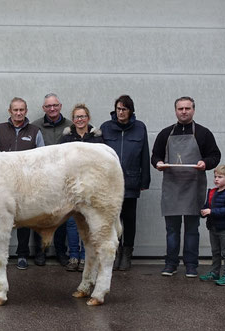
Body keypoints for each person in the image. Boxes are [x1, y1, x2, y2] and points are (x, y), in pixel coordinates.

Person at [152, 96, 221, 277]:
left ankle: (191, 265)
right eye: (180, 108)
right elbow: (155, 156)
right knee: (172, 229)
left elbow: (215, 155)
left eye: (187, 108)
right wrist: (158, 163)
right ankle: (170, 264)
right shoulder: (165, 133)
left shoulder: (203, 133)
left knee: (192, 229)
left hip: (193, 187)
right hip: (172, 187)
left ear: (193, 110)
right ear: (175, 111)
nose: (184, 111)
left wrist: (205, 163)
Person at [0, 97, 44, 270]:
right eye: (15, 110)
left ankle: (22, 255)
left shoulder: (35, 131)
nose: (18, 113)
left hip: (26, 185)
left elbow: (41, 159)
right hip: (1, 185)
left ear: (26, 111)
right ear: (9, 111)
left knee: (24, 221)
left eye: (22, 110)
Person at [100, 95, 150, 271]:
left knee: (129, 219)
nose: (121, 112)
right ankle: (113, 253)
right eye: (118, 109)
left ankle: (127, 254)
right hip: (109, 184)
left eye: (124, 109)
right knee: (112, 219)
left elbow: (144, 155)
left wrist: (145, 180)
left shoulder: (139, 128)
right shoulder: (106, 128)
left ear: (130, 111)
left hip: (130, 181)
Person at [58, 103, 104, 272]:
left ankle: (86, 257)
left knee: (88, 223)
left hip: (91, 187)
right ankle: (74, 256)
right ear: (73, 119)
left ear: (88, 118)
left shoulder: (97, 138)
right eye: (77, 117)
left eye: (83, 116)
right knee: (71, 223)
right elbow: (60, 161)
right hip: (71, 188)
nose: (80, 119)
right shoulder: (66, 138)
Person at [31, 93, 73, 266]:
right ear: (44, 108)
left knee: (61, 216)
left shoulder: (71, 126)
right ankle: (40, 251)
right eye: (48, 106)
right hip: (41, 178)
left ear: (60, 106)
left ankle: (61, 252)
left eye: (55, 105)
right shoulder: (35, 126)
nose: (52, 109)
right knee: (39, 215)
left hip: (64, 179)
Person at [199, 165, 225, 286]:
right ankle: (215, 272)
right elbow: (207, 206)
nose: (216, 179)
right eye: (215, 176)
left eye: (220, 177)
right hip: (213, 226)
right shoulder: (212, 192)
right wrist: (203, 212)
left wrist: (212, 211)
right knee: (215, 252)